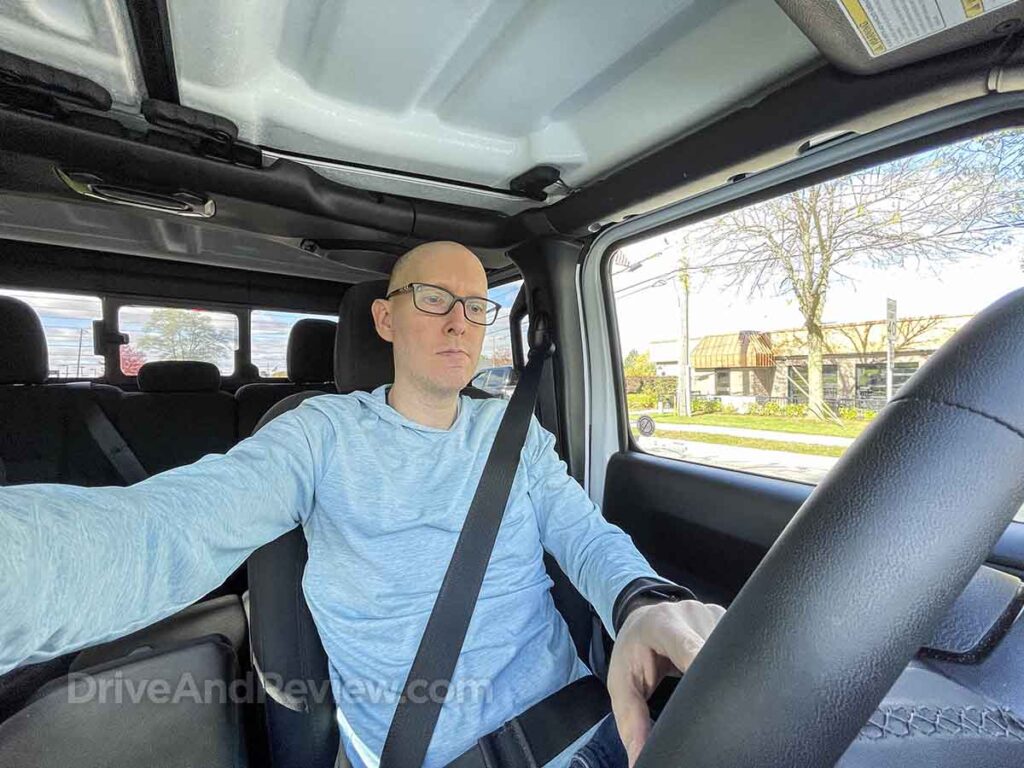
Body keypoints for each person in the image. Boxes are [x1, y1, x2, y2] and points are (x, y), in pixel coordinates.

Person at [0, 241, 724, 768]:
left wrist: (641, 602)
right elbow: (163, 532)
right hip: (431, 752)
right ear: (385, 319)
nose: (459, 323)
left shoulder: (516, 432)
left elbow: (584, 535)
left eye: (476, 306)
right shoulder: (318, 434)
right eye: (434, 299)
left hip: (586, 723)